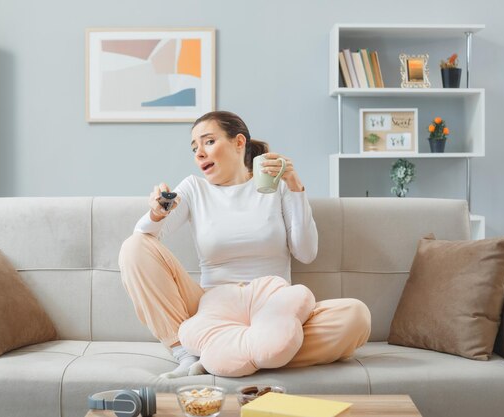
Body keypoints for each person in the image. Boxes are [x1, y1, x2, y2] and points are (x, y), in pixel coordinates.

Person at [119, 111, 371, 378]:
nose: (199, 154)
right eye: (194, 148)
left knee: (355, 316)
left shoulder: (277, 186)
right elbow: (144, 236)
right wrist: (158, 213)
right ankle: (187, 353)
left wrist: (295, 186)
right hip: (210, 310)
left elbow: (306, 253)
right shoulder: (194, 189)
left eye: (208, 142)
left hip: (274, 310)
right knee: (134, 247)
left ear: (239, 142)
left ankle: (222, 356)